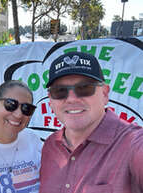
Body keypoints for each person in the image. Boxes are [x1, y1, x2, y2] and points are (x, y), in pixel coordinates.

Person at [39, 51, 143, 193]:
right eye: (60, 91)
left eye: (84, 88)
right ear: (50, 100)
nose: (71, 99)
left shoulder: (132, 144)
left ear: (105, 94)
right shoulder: (50, 146)